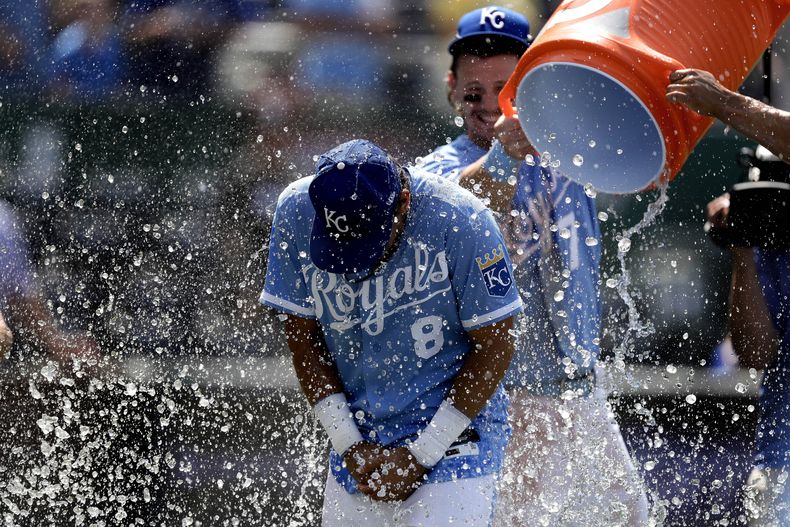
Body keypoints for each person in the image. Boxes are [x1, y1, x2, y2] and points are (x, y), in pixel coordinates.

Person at [419, 6, 650, 525]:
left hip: (577, 391)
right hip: (489, 402)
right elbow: (450, 213)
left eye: (505, 90)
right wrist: (504, 156)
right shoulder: (435, 170)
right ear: (452, 87)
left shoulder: (571, 151)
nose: (488, 107)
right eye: (474, 91)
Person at [260, 139, 523, 526]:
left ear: (402, 202)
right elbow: (302, 338)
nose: (353, 266)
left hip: (456, 438)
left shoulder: (462, 218)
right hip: (360, 440)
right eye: (339, 247)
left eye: (366, 242)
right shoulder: (296, 210)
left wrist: (423, 454)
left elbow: (496, 344)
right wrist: (348, 444)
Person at [668, 67, 790, 526]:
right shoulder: (774, 246)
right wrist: (742, 249)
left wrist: (723, 103)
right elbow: (756, 353)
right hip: (782, 459)